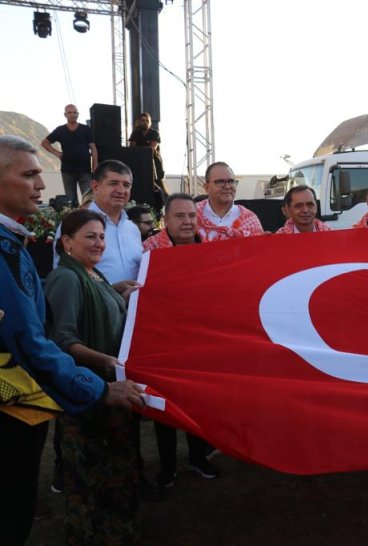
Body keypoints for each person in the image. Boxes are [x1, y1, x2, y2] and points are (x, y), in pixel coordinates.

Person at [0, 135, 143, 546]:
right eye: (28, 174)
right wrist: (99, 385)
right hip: (17, 405)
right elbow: (37, 340)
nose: (41, 185)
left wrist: (111, 292)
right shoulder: (11, 253)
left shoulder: (16, 244)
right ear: (67, 243)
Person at [45, 208, 141, 543]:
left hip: (107, 388)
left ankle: (113, 531)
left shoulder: (91, 274)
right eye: (90, 236)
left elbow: (95, 304)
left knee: (113, 472)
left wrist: (116, 293)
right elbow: (62, 341)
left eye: (102, 236)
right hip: (88, 392)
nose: (99, 242)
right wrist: (110, 363)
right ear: (67, 242)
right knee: (91, 477)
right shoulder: (67, 277)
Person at [140, 194, 221, 485]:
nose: (187, 222)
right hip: (162, 343)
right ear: (166, 219)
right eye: (180, 216)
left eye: (191, 216)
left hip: (200, 342)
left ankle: (198, 458)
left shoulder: (211, 249)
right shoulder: (148, 250)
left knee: (198, 405)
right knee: (164, 408)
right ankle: (167, 466)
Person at [55, 160, 143, 294]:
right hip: (94, 310)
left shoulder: (132, 229)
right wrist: (111, 290)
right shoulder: (76, 224)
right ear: (95, 186)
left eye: (126, 185)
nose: (121, 190)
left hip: (132, 310)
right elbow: (63, 276)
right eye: (113, 183)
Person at [40, 104, 98, 206]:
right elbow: (44, 142)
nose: (72, 115)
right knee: (71, 201)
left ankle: (90, 220)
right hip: (68, 170)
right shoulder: (60, 130)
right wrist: (57, 153)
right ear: (65, 115)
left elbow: (93, 147)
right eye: (70, 112)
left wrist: (95, 164)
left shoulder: (85, 129)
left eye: (75, 112)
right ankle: (75, 221)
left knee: (89, 198)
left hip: (85, 170)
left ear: (78, 114)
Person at [197, 161, 264, 241]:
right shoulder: (192, 215)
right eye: (220, 182)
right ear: (207, 187)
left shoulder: (250, 219)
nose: (228, 186)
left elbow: (258, 251)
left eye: (231, 181)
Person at [128, 112, 169, 210]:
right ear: (139, 122)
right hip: (139, 164)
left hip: (153, 164)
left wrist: (140, 149)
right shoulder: (135, 133)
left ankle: (164, 203)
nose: (145, 123)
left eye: (147, 121)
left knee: (158, 186)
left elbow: (151, 148)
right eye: (142, 121)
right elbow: (132, 148)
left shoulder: (154, 133)